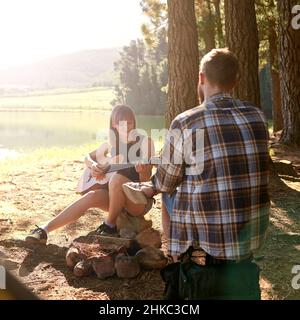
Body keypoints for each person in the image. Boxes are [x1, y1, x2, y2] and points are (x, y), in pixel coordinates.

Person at [123, 48, 270, 292]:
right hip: (249, 240)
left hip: (208, 245)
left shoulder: (186, 121)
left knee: (167, 190)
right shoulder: (257, 116)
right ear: (235, 81)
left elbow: (167, 181)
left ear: (201, 78)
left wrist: (152, 185)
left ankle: (174, 254)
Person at [25, 105, 154, 244]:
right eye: (120, 124)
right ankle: (44, 230)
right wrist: (93, 165)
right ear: (114, 125)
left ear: (134, 122)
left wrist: (143, 171)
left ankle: (109, 224)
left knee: (117, 179)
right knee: (92, 196)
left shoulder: (145, 142)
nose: (126, 127)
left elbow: (145, 182)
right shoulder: (112, 144)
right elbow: (87, 157)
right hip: (115, 200)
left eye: (129, 123)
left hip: (137, 202)